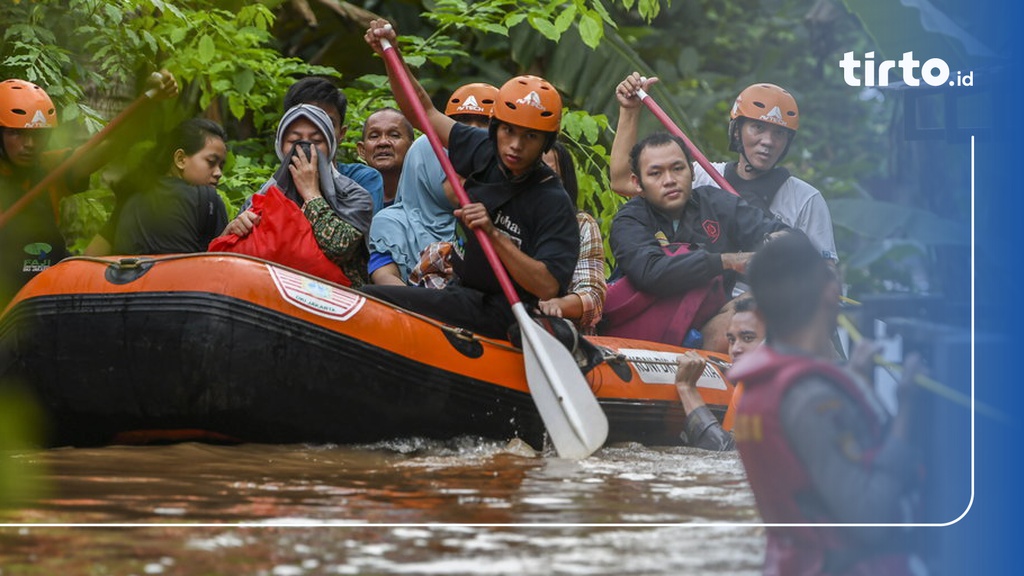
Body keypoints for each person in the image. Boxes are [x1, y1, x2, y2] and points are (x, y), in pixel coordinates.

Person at [362, 20, 579, 340]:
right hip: (461, 292)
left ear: (546, 143)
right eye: (508, 131)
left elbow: (547, 284)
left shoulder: (552, 200)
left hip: (509, 310)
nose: (515, 146)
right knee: (371, 298)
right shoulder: (484, 149)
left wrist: (493, 234)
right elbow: (423, 111)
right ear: (497, 129)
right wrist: (390, 54)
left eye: (530, 137)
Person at [730, 233, 925, 575]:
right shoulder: (813, 398)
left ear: (758, 313)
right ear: (832, 293)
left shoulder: (757, 388)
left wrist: (855, 381)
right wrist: (907, 409)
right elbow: (871, 518)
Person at [609, 73, 838, 263]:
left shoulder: (806, 199)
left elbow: (825, 273)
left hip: (770, 306)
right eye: (758, 127)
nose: (768, 141)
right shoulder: (701, 177)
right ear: (737, 131)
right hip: (703, 295)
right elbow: (622, 182)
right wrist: (629, 111)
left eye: (779, 133)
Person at [604, 132, 790, 352]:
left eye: (678, 168)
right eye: (655, 173)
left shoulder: (716, 202)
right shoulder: (629, 219)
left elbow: (784, 235)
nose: (670, 180)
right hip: (640, 334)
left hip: (707, 330)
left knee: (766, 298)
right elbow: (650, 272)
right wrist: (726, 261)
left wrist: (777, 243)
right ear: (638, 183)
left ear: (692, 171)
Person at [1, 73, 178, 301]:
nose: (29, 145)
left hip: (43, 298)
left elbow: (112, 145)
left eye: (38, 135)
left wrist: (148, 100)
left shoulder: (49, 168)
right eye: (16, 133)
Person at [222, 104, 373, 286]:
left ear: (330, 146)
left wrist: (311, 194)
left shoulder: (353, 196)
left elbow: (339, 248)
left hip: (337, 301)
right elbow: (228, 260)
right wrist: (232, 230)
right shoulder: (261, 198)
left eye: (316, 141)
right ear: (280, 148)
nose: (305, 148)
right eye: (294, 141)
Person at [367, 82, 498, 286]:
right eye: (455, 175)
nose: (467, 185)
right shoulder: (393, 223)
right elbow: (384, 277)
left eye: (477, 177)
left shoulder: (492, 220)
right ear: (426, 171)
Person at [106, 118, 228, 254]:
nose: (218, 173)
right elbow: (223, 267)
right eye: (211, 162)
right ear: (180, 159)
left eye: (221, 166)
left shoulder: (131, 197)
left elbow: (91, 255)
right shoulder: (208, 202)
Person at [536, 140, 607, 335]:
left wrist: (555, 305)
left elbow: (593, 297)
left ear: (564, 183)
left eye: (548, 176)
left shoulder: (581, 225)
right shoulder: (496, 214)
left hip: (559, 335)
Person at [283, 76, 384, 207]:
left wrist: (311, 195)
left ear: (341, 134)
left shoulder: (363, 180)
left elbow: (362, 227)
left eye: (327, 125)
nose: (319, 130)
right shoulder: (274, 188)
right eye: (304, 124)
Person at [357, 107, 415, 212]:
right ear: (362, 150)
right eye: (374, 136)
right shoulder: (348, 197)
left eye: (394, 135)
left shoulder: (424, 197)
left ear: (412, 147)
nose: (383, 142)